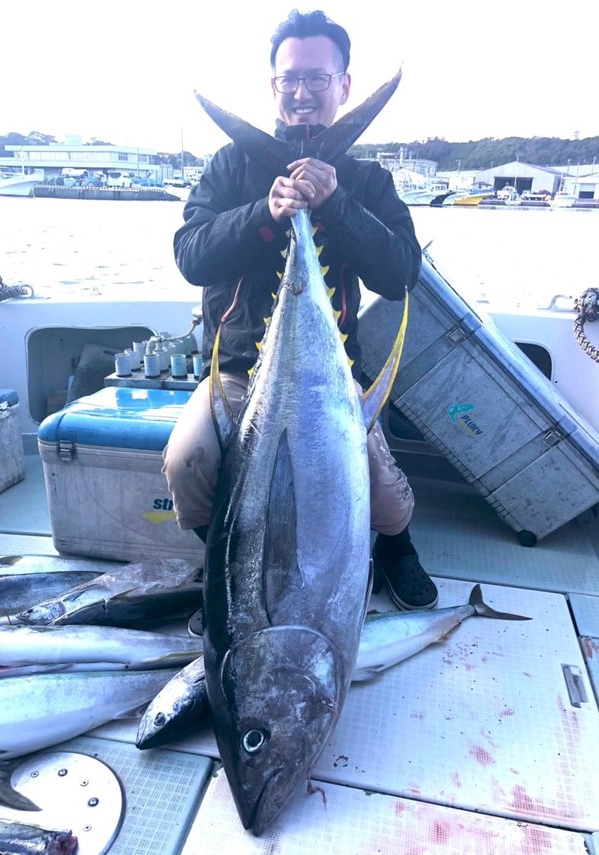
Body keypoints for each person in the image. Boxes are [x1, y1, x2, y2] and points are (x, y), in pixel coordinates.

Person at [162, 9, 438, 619]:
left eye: (318, 78)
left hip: (330, 379)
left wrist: (336, 201)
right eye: (290, 79)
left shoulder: (367, 180)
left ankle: (395, 547)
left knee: (389, 500)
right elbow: (190, 255)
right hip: (237, 376)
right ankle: (228, 560)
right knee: (186, 465)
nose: (302, 92)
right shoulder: (231, 167)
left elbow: (399, 273)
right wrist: (266, 211)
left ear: (343, 84)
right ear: (273, 87)